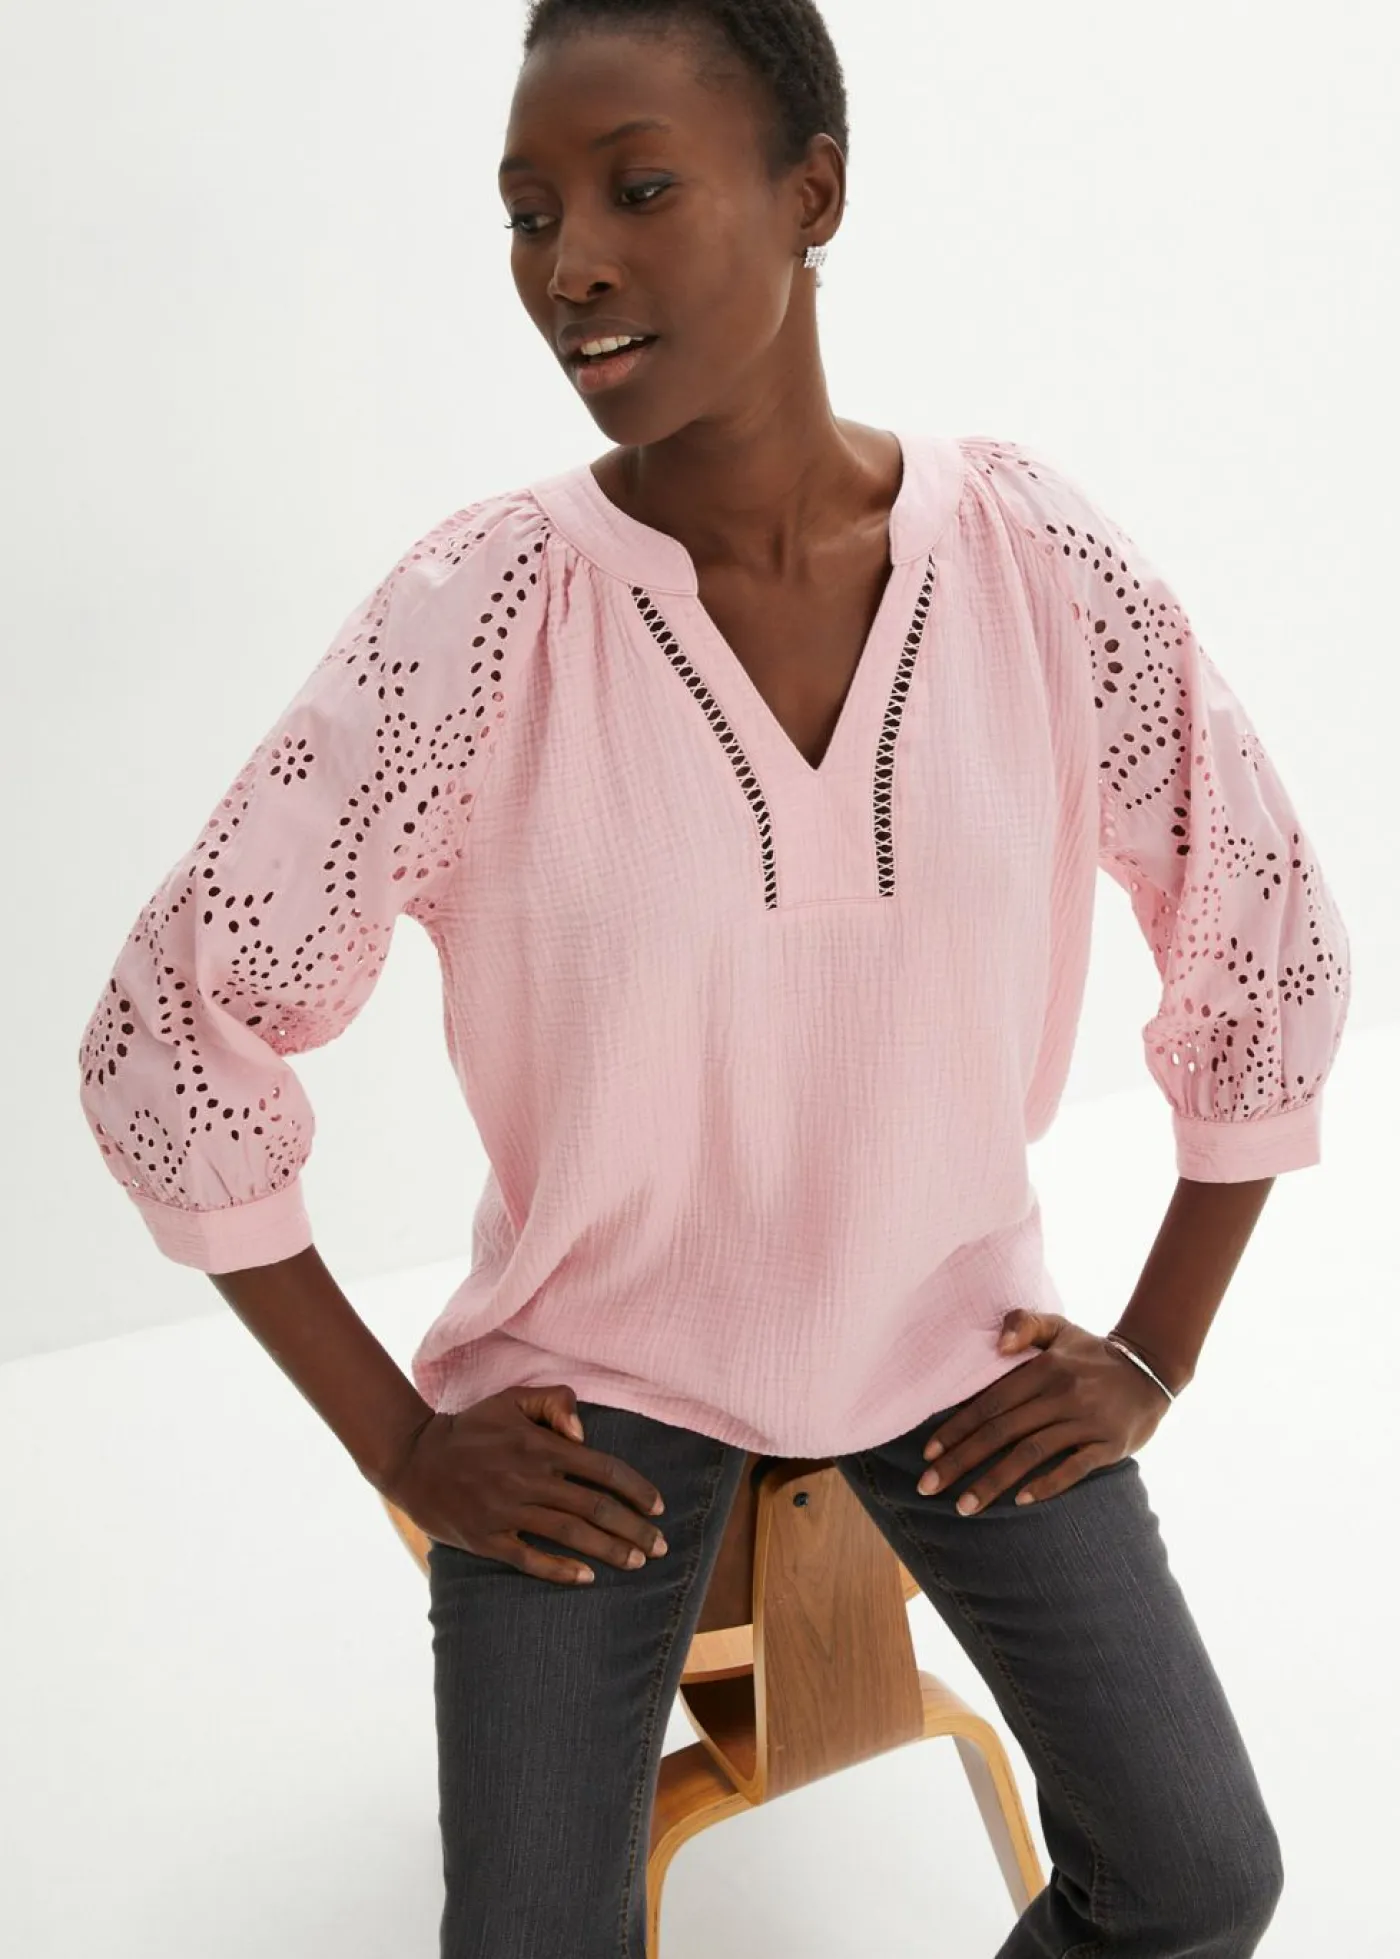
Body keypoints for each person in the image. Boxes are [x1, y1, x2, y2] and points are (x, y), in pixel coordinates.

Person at [77, 2, 1352, 1954]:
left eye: (639, 188)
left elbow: (1261, 922)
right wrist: (401, 1439)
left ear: (813, 190)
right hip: (593, 1393)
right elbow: (170, 1029)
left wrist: (1156, 1345)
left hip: (953, 1343)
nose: (568, 264)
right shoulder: (479, 617)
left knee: (1200, 1874)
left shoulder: (1028, 560)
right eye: (528, 214)